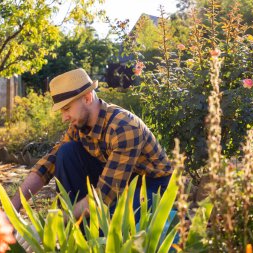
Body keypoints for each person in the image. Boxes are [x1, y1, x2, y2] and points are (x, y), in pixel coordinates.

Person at [11, 68, 173, 223]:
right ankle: (77, 231)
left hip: (152, 185)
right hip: (116, 180)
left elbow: (104, 196)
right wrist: (12, 209)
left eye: (66, 109)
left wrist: (54, 224)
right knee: (65, 152)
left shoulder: (124, 127)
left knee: (111, 231)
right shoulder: (79, 126)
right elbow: (48, 165)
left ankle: (78, 228)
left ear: (87, 98)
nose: (64, 118)